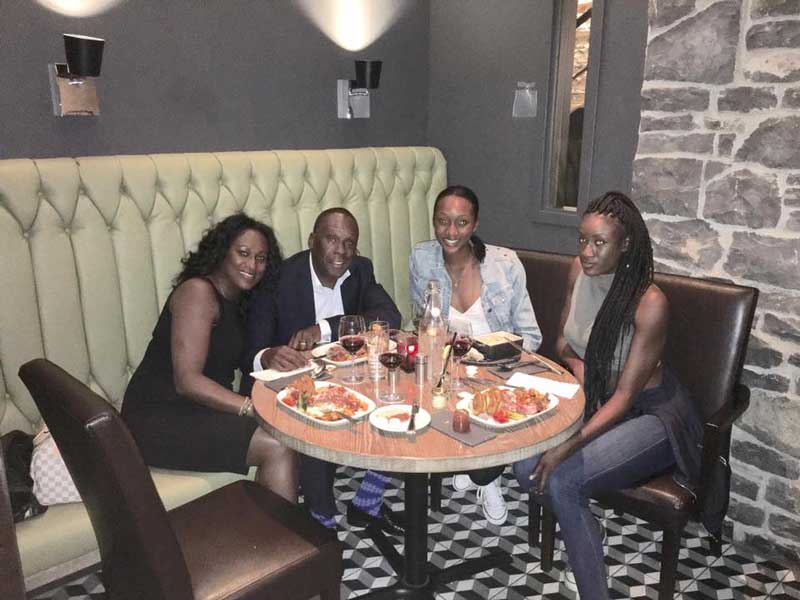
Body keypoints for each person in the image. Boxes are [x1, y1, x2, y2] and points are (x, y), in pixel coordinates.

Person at [513, 191, 703, 598]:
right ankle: (587, 529)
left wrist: (566, 446)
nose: (587, 252)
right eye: (582, 239)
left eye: (599, 242)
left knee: (563, 480)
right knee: (524, 465)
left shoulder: (649, 302)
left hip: (649, 414)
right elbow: (561, 342)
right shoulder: (577, 271)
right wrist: (579, 366)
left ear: (625, 244)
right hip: (595, 396)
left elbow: (625, 397)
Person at [242, 207, 403, 532]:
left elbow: (389, 316)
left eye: (349, 243)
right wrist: (269, 355)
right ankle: (322, 519)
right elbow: (250, 354)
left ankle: (367, 499)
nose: (340, 251)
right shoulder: (278, 279)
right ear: (312, 240)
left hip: (348, 378)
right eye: (331, 239)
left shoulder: (360, 270)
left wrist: (324, 329)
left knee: (400, 395)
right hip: (290, 386)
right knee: (316, 415)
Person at [122, 214, 298, 503]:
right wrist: (251, 408)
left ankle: (266, 525)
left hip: (199, 409)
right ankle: (283, 532)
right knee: (278, 445)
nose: (252, 265)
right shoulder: (198, 293)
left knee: (287, 431)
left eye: (261, 258)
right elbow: (188, 381)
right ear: (222, 252)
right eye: (243, 253)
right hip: (159, 417)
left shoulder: (239, 300)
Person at [409, 184, 542, 526]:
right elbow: (421, 323)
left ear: (475, 224)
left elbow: (531, 336)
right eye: (442, 221)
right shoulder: (422, 258)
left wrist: (491, 359)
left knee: (481, 466)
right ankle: (469, 459)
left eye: (461, 222)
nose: (450, 232)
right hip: (448, 373)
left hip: (498, 372)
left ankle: (486, 476)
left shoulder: (505, 265)